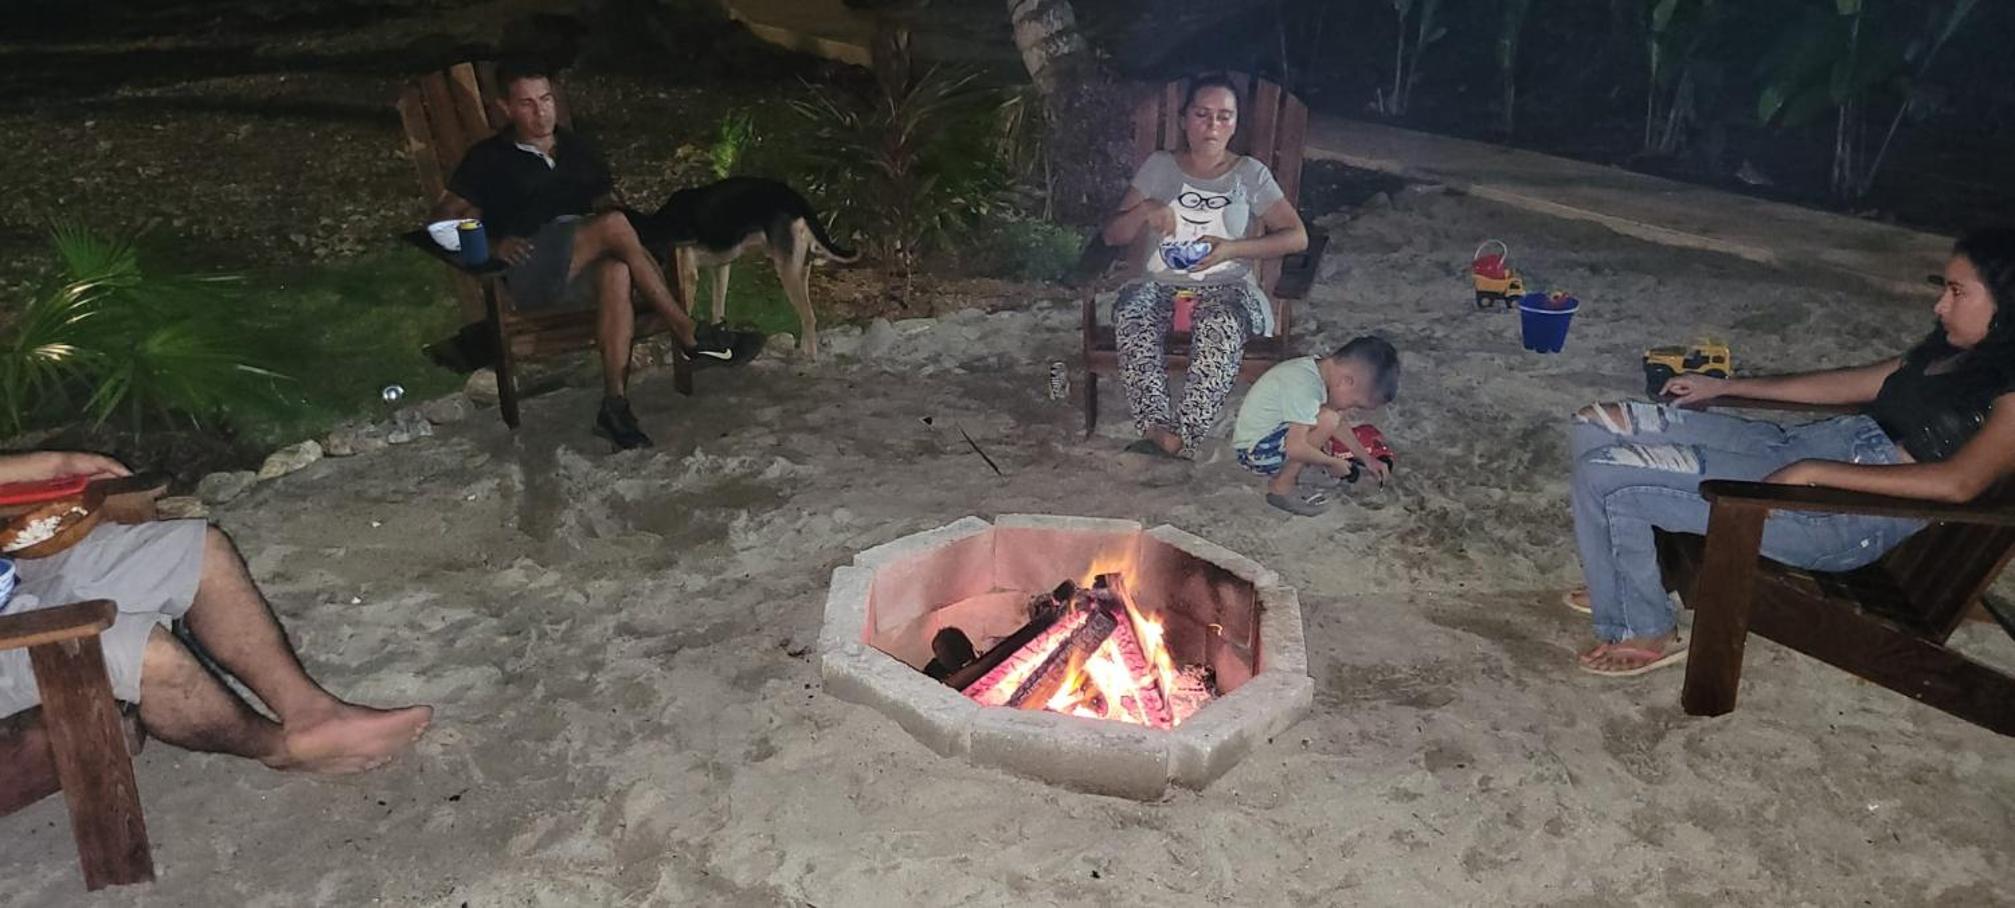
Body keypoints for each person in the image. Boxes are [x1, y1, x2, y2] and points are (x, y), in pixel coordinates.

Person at [1567, 228, 2015, 676]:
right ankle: (1619, 587)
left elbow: (1959, 483)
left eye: (1957, 292)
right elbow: (1851, 383)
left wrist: (1816, 471)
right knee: (1598, 423)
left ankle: (1645, 628)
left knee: (1610, 477)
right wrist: (1726, 387)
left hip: (1837, 512)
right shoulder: (1954, 353)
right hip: (1801, 450)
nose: (1940, 306)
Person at [0, 451, 432, 786]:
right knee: (149, 655)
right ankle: (282, 749)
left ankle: (312, 712)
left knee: (200, 552)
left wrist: (54, 465)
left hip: (13, 580)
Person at [428, 58, 740, 451]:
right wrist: (492, 244)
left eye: (546, 99)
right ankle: (688, 332)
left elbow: (609, 203)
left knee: (617, 271)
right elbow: (438, 222)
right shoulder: (488, 158)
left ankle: (614, 406)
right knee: (613, 226)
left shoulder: (576, 149)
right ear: (505, 108)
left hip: (582, 269)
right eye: (527, 103)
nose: (541, 112)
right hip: (531, 268)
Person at [1099, 73, 1310, 460]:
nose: (1213, 125)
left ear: (1235, 124)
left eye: (1224, 116)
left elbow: (1297, 237)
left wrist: (1233, 249)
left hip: (1229, 289)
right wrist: (1145, 209)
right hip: (1158, 285)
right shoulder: (1159, 167)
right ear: (1184, 120)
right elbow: (1113, 235)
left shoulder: (1249, 174)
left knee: (1220, 325)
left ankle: (1183, 437)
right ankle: (1156, 429)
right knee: (1133, 314)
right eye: (1202, 114)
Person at [1231, 336, 1401, 516]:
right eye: (1355, 404)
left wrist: (1367, 459)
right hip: (1256, 453)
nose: (1351, 410)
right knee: (1328, 418)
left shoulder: (1318, 369)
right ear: (1346, 382)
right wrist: (1333, 462)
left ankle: (1301, 468)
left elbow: (1337, 423)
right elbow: (1296, 448)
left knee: (1331, 417)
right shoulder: (1306, 388)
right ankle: (1281, 487)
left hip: (1269, 437)